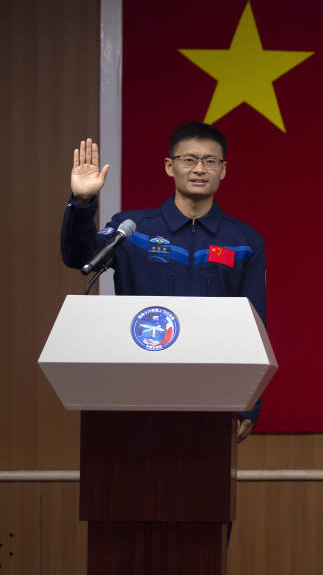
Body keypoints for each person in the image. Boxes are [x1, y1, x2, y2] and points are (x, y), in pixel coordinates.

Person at [60, 121, 265, 438]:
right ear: (170, 166)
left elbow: (256, 323)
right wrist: (83, 204)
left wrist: (248, 404)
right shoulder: (132, 228)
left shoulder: (244, 241)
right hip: (135, 385)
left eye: (210, 161)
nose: (199, 169)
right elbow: (79, 257)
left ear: (223, 170)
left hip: (214, 391)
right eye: (189, 160)